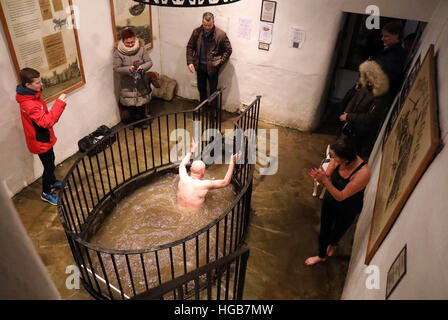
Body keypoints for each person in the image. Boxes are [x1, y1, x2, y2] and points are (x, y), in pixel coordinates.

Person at [306, 137, 371, 266]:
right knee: (325, 229)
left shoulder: (363, 173)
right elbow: (327, 177)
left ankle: (333, 243)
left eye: (334, 157)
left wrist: (325, 181)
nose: (332, 159)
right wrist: (320, 177)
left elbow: (341, 196)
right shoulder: (338, 159)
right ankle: (321, 255)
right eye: (332, 155)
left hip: (349, 206)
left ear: (346, 159)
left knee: (339, 230)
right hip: (331, 200)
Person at [16, 68, 68, 205]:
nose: (41, 84)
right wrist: (60, 103)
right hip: (40, 141)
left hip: (44, 138)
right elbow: (46, 122)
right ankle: (46, 193)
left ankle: (52, 182)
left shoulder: (32, 96)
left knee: (51, 160)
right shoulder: (29, 104)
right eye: (37, 82)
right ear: (28, 85)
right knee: (48, 166)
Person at [339, 59, 392, 159]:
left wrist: (349, 116)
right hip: (350, 125)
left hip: (362, 133)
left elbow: (371, 117)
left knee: (351, 156)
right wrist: (346, 113)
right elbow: (353, 100)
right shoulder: (365, 87)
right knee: (339, 150)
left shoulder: (381, 95)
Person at [186, 12, 232, 124]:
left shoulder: (220, 34)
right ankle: (203, 107)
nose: (207, 28)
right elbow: (190, 47)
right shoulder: (197, 32)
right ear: (202, 22)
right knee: (201, 88)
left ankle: (213, 113)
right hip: (200, 67)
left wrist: (219, 63)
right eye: (205, 25)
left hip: (212, 69)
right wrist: (190, 62)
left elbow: (228, 50)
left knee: (213, 92)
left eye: (209, 26)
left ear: (213, 23)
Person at [177, 139, 237, 212]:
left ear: (191, 169)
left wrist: (192, 150)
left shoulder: (183, 177)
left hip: (178, 210)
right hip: (194, 214)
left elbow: (182, 165)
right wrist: (232, 162)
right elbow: (225, 182)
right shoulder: (204, 184)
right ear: (203, 173)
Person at [113, 28, 153, 127]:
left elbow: (149, 62)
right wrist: (128, 69)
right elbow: (116, 68)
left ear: (135, 39)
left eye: (132, 42)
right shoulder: (118, 53)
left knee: (142, 103)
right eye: (127, 43)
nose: (130, 44)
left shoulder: (141, 49)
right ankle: (133, 123)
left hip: (141, 81)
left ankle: (143, 122)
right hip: (128, 83)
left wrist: (140, 69)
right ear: (122, 41)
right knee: (130, 105)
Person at [374, 21, 406, 96]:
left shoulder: (397, 54)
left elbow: (390, 78)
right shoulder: (387, 51)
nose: (382, 39)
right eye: (383, 36)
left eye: (386, 36)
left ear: (396, 36)